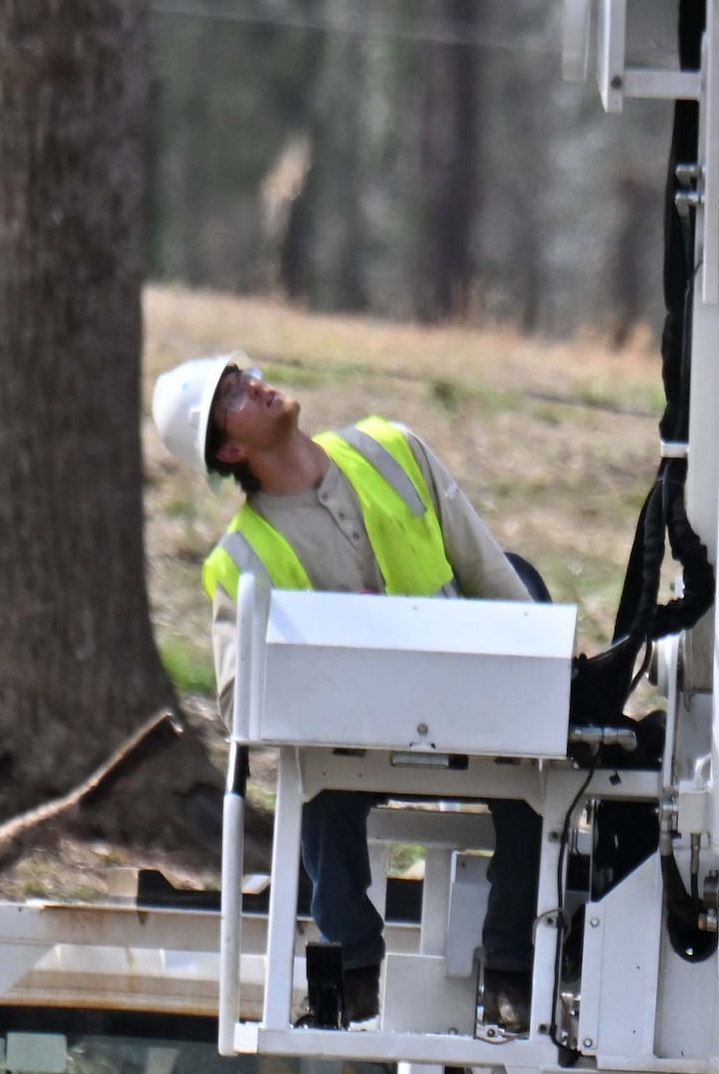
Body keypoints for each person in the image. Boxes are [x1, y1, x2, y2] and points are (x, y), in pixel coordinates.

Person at [152, 352, 549, 1038]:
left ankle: (512, 971)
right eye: (233, 395)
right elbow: (241, 702)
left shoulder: (391, 450)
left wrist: (545, 671)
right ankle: (352, 975)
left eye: (243, 373)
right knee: (321, 797)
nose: (254, 383)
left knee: (537, 786)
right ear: (230, 448)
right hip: (356, 742)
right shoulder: (242, 560)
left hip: (467, 708)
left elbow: (489, 572)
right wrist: (327, 651)